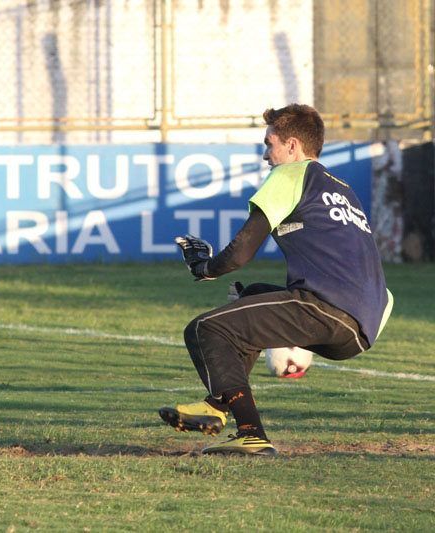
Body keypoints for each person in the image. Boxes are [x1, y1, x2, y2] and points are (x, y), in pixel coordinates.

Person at [159, 104, 393, 455]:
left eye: (270, 144)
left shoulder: (290, 175)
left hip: (328, 308)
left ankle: (251, 433)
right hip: (364, 326)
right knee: (251, 297)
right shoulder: (343, 190)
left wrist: (204, 268)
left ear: (292, 146)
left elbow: (239, 253)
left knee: (205, 329)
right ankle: (217, 406)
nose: (266, 155)